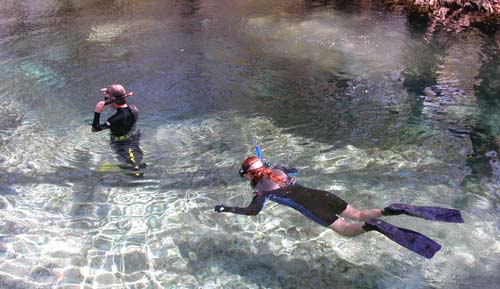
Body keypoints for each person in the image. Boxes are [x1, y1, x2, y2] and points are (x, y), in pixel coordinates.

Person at [214, 156, 463, 259]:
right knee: (357, 214)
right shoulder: (279, 171)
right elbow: (294, 170)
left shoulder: (260, 190)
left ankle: (373, 226)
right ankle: (389, 210)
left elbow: (253, 212)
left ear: (249, 175)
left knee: (345, 229)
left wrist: (226, 209)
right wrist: (270, 165)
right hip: (323, 195)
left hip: (310, 206)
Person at [92, 84, 144, 177]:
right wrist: (107, 97)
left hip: (120, 143)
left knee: (133, 169)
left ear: (112, 100)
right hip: (134, 136)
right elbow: (115, 105)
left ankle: (121, 170)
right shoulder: (134, 108)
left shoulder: (113, 120)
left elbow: (95, 129)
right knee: (136, 160)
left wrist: (97, 112)